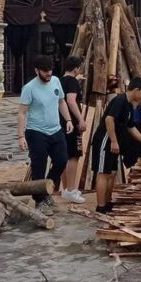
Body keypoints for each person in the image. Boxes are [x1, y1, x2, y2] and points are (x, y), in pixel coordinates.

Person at [17, 55, 74, 211]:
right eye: (45, 72)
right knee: (39, 167)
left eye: (50, 71)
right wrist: (21, 136)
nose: (48, 74)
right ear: (37, 71)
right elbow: (22, 113)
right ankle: (39, 200)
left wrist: (68, 120)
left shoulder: (56, 81)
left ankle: (47, 189)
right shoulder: (29, 88)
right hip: (36, 132)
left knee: (62, 160)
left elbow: (61, 101)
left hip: (56, 130)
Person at [90, 77, 141, 213]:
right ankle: (100, 206)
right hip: (105, 140)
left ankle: (107, 201)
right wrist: (113, 141)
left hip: (114, 142)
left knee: (112, 173)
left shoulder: (129, 106)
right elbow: (109, 119)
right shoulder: (120, 100)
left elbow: (131, 128)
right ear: (136, 90)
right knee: (103, 173)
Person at [58, 55, 87, 204]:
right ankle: (71, 189)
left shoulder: (60, 81)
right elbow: (71, 100)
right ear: (76, 68)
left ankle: (65, 188)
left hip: (60, 122)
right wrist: (80, 119)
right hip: (71, 123)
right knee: (74, 156)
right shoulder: (72, 82)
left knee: (64, 155)